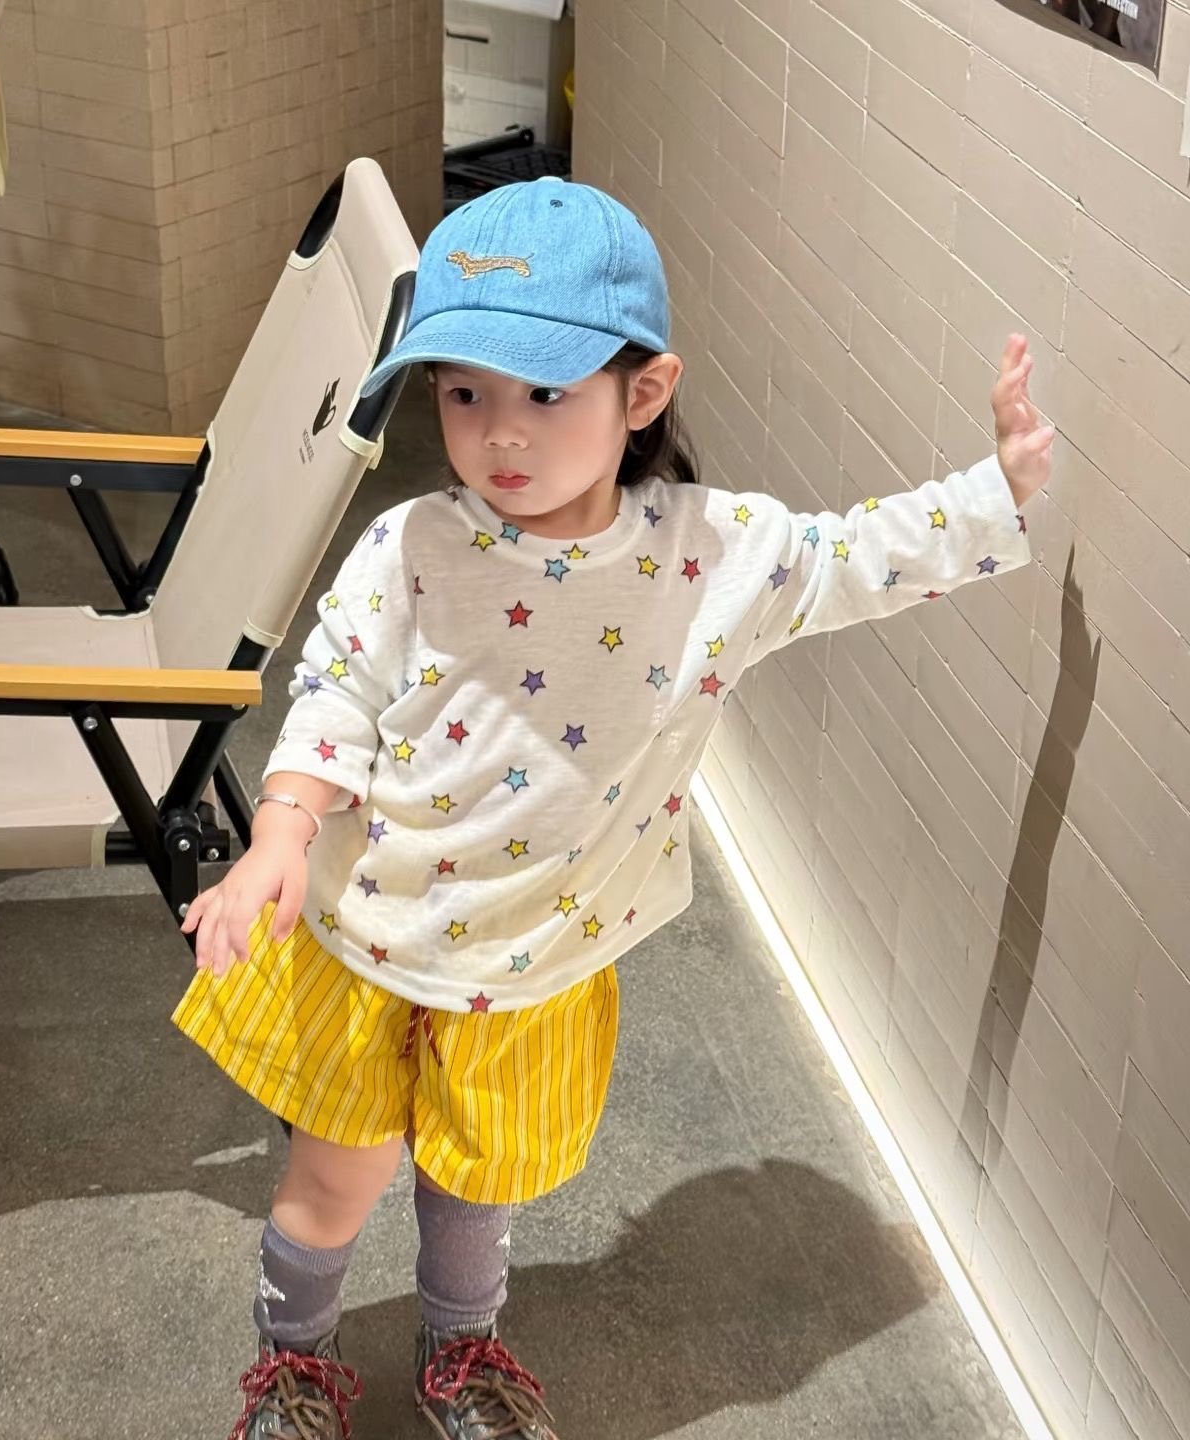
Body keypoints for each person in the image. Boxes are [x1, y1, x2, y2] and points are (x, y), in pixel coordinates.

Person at [174, 176, 1055, 1440]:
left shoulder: (712, 555)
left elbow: (851, 557)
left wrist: (996, 489)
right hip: (369, 938)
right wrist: (280, 833)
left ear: (643, 394)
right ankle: (296, 1364)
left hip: (535, 960)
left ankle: (460, 1353)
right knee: (336, 1176)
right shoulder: (411, 546)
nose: (499, 434)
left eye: (544, 394)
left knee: (479, 1185)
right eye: (463, 393)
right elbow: (334, 696)